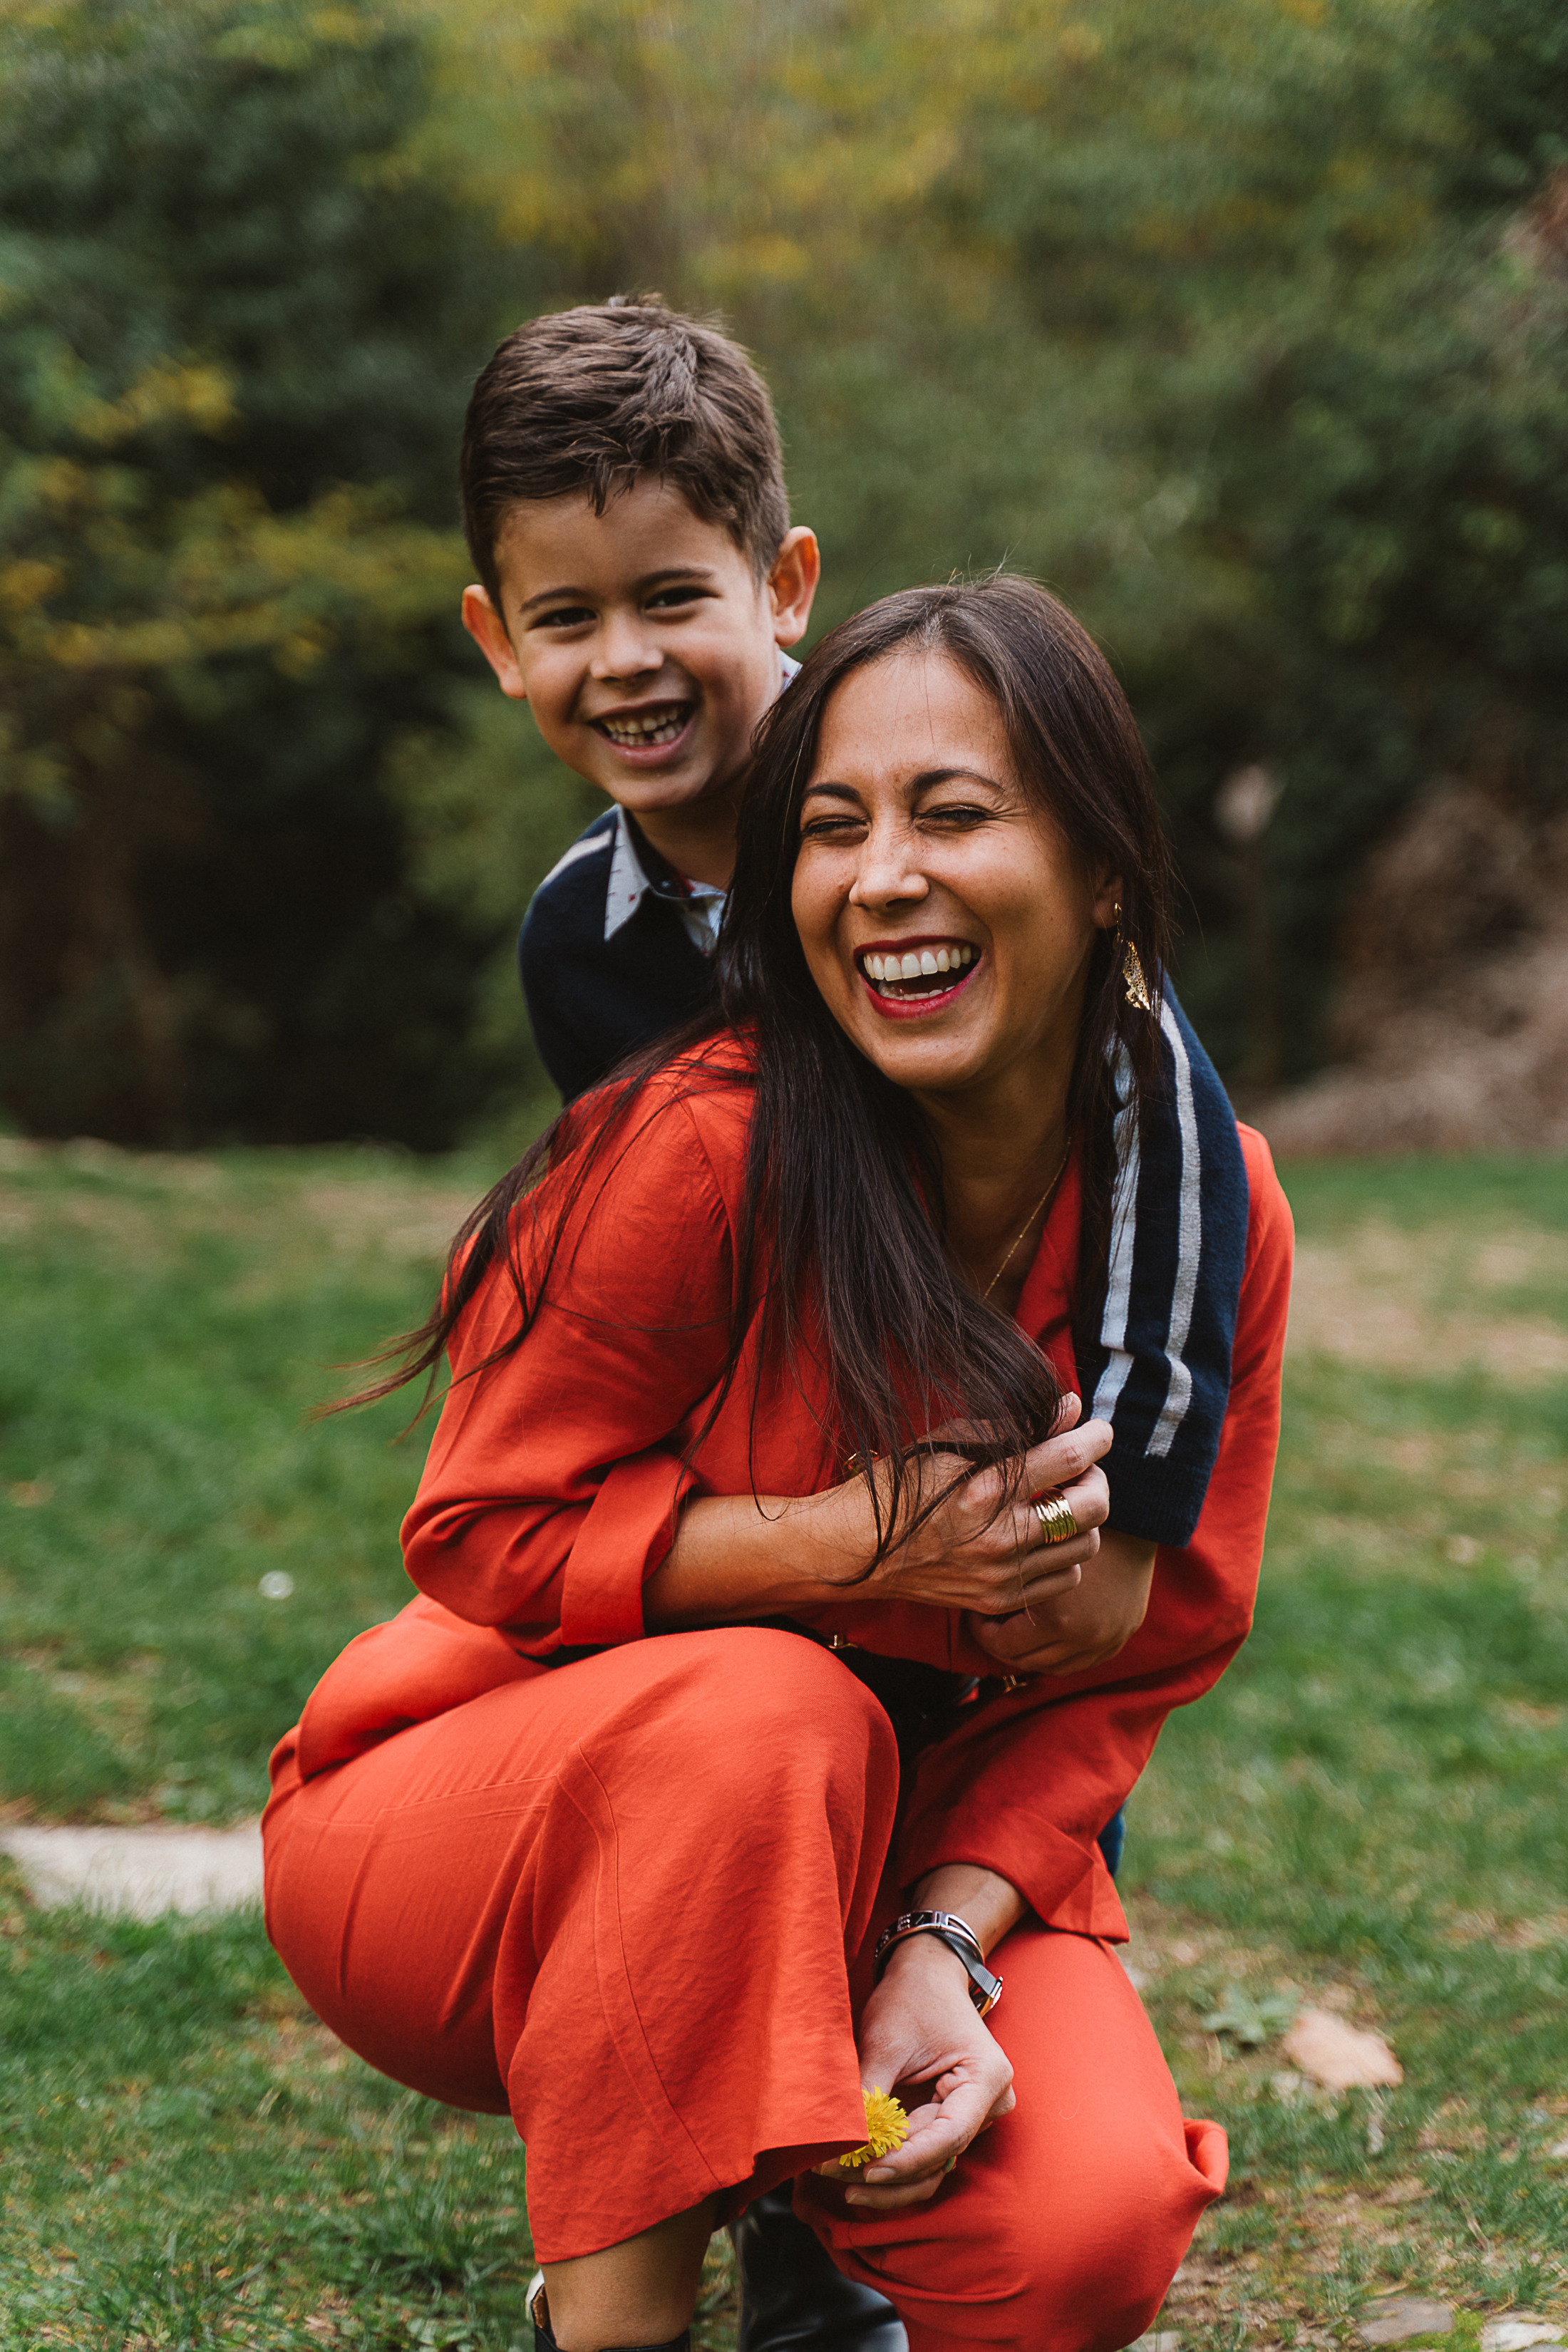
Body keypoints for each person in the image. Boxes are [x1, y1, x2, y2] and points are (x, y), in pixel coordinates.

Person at [264, 576, 1293, 2352]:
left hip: (878, 1869)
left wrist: (942, 1948)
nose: (882, 875)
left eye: (953, 813)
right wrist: (849, 1542)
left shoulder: (1205, 1222)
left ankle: (813, 2167)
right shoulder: (701, 1141)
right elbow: (482, 1528)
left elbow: (1140, 1647)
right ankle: (618, 2317)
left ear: (1105, 873)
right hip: (462, 1833)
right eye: (830, 829)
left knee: (1085, 2228)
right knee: (768, 1715)